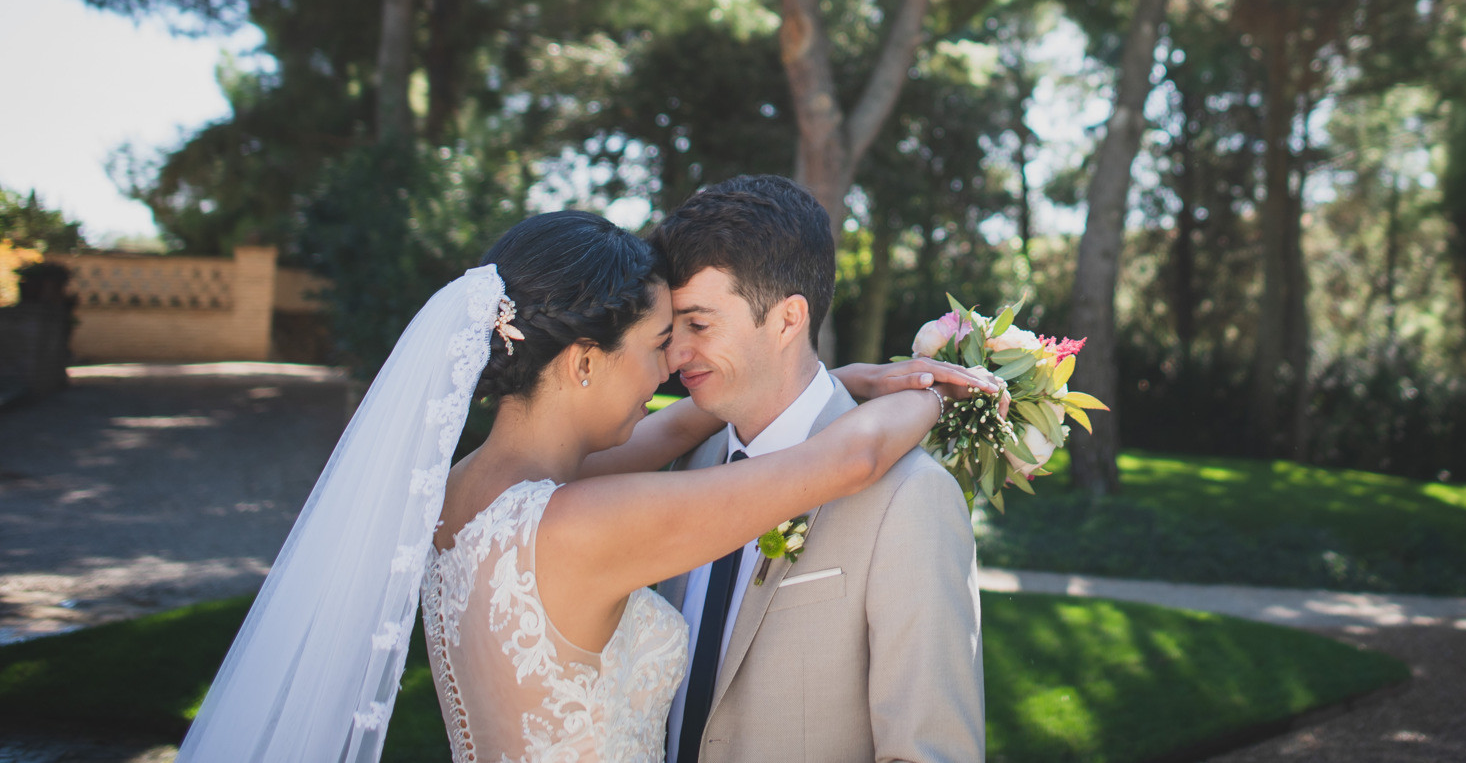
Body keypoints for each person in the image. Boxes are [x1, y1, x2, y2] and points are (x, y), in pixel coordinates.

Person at [176, 209, 999, 763]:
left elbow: (672, 426)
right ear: (579, 360)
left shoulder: (453, 498)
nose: (671, 367)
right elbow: (845, 465)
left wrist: (831, 380)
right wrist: (935, 390)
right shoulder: (584, 521)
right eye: (656, 343)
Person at [636, 175, 988, 763]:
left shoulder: (911, 498)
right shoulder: (685, 463)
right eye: (673, 329)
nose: (675, 355)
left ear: (787, 319)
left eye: (698, 325)